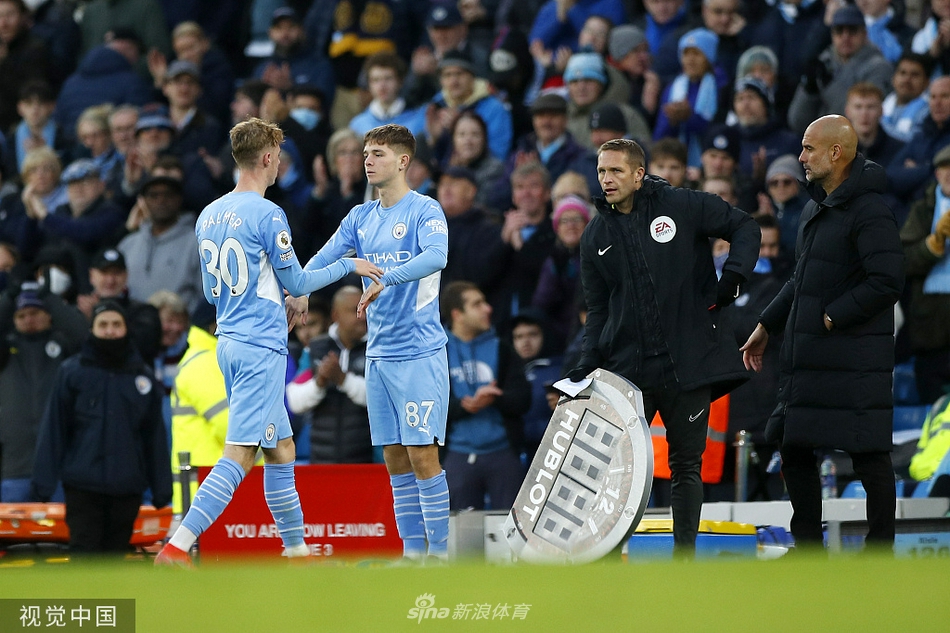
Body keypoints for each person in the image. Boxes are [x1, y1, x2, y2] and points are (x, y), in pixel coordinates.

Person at [155, 118, 383, 566]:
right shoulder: (268, 213)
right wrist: (348, 266)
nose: (280, 164)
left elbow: (210, 292)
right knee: (239, 454)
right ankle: (178, 546)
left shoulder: (208, 214)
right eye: (278, 156)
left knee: (281, 449)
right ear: (266, 158)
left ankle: (295, 550)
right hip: (259, 347)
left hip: (230, 341)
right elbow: (296, 279)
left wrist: (271, 297)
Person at [568, 138, 759, 554]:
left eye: (616, 171)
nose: (607, 179)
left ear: (639, 174)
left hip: (688, 365)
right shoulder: (594, 236)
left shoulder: (684, 205)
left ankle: (684, 560)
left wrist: (735, 275)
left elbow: (744, 225)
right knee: (617, 472)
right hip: (630, 374)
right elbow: (598, 309)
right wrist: (587, 362)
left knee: (684, 466)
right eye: (601, 172)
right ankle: (607, 556)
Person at [741, 115, 904, 549]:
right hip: (811, 357)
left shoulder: (871, 210)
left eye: (809, 148)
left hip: (852, 359)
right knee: (793, 446)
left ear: (836, 152)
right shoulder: (817, 207)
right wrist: (766, 324)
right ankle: (809, 549)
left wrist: (832, 317)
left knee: (868, 453)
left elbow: (887, 281)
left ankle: (880, 551)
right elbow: (800, 279)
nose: (801, 157)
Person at [304, 123, 451, 563]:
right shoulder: (359, 217)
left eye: (379, 153)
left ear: (403, 161)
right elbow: (323, 259)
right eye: (366, 153)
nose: (368, 160)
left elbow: (436, 257)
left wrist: (386, 278)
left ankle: (441, 559)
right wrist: (298, 288)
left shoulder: (425, 210)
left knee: (423, 454)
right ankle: (412, 555)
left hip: (420, 352)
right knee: (393, 458)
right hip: (380, 355)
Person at [32, 301, 172, 553]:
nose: (110, 331)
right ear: (92, 329)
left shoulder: (142, 376)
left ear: (126, 328)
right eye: (103, 325)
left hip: (127, 488)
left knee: (115, 563)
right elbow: (54, 429)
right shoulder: (72, 372)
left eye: (116, 324)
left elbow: (154, 437)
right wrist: (43, 483)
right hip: (82, 487)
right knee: (84, 557)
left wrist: (162, 488)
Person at [441, 281, 530, 511]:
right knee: (461, 540)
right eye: (477, 304)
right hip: (456, 454)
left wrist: (495, 398)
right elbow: (427, 406)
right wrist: (465, 406)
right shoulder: (436, 351)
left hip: (502, 453)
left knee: (509, 535)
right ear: (457, 314)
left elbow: (523, 399)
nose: (487, 309)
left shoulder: (502, 348)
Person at [0, 290, 76, 502]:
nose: (28, 319)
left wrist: (51, 297)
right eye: (21, 316)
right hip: (14, 468)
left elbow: (81, 333)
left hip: (59, 470)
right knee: (10, 534)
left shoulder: (64, 345)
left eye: (34, 312)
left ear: (48, 315)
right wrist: (7, 297)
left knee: (60, 534)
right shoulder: (4, 350)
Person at [285, 286, 374, 465]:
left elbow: (383, 399)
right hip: (321, 460)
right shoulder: (317, 349)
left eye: (366, 309)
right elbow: (294, 401)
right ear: (335, 315)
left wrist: (344, 380)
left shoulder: (375, 348)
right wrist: (320, 382)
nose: (363, 316)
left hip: (367, 460)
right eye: (355, 310)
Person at [899, 144, 950, 404]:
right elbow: (901, 263)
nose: (949, 174)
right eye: (944, 168)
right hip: (930, 327)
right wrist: (933, 244)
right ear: (937, 174)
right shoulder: (922, 211)